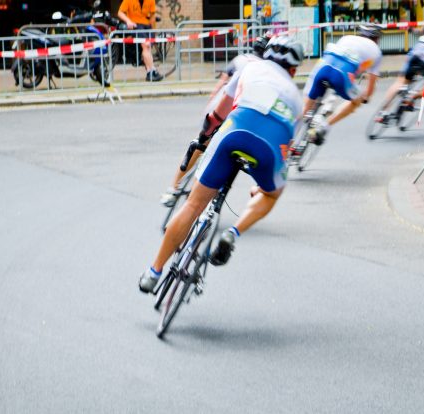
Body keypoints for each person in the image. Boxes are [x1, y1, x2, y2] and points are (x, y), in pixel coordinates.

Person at [139, 36, 306, 293]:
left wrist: (205, 135)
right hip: (270, 149)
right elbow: (288, 147)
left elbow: (218, 114)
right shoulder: (297, 98)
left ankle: (153, 272)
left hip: (234, 132)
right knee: (273, 194)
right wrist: (263, 187)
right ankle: (234, 233)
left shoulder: (249, 68)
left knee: (194, 204)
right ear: (293, 70)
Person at [158, 36, 270, 208]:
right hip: (238, 117)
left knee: (198, 147)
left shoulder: (240, 59)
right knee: (232, 156)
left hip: (218, 108)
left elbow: (221, 84)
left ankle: (173, 188)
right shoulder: (264, 70)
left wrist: (210, 107)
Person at [303, 24, 383, 144]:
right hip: (341, 75)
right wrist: (364, 97)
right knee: (356, 101)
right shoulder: (376, 52)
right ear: (377, 39)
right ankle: (325, 126)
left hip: (323, 66)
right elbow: (370, 90)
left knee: (308, 103)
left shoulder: (346, 38)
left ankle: (299, 128)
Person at [117, 0, 163, 81]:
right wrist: (128, 21)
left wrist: (153, 31)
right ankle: (152, 71)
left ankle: (150, 72)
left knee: (147, 48)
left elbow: (152, 16)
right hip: (136, 25)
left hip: (147, 26)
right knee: (146, 45)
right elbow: (120, 12)